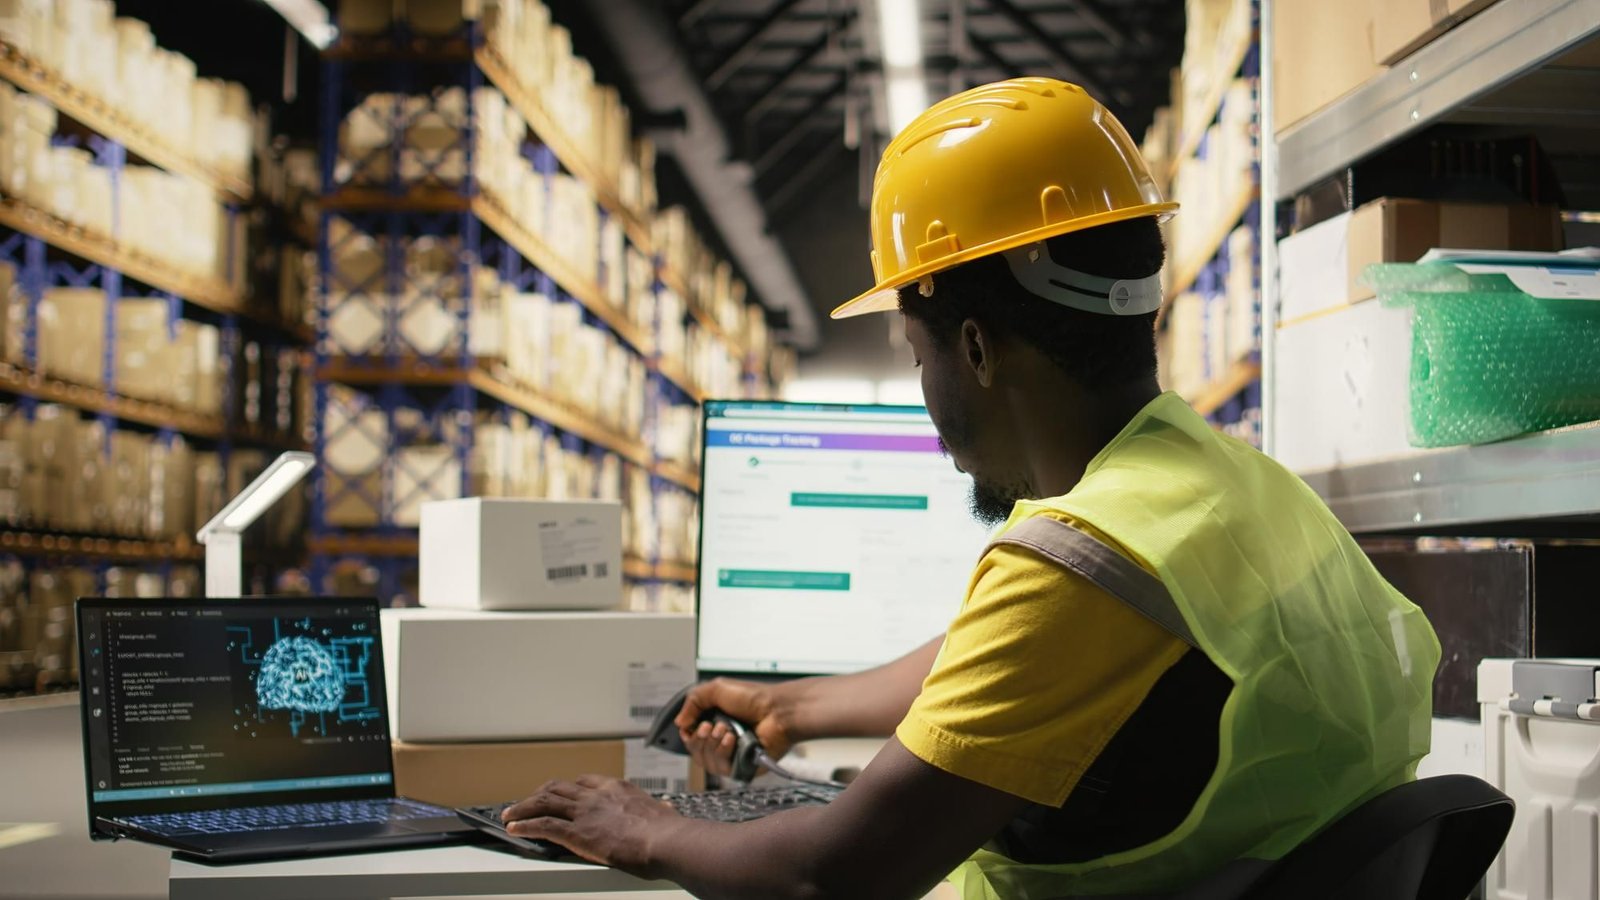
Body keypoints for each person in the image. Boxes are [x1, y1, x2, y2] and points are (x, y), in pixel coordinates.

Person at [500, 77, 1440, 900]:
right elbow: (1019, 654)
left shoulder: (1087, 562)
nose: (926, 394)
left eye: (918, 353)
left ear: (979, 347)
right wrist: (797, 708)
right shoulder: (1226, 488)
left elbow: (827, 876)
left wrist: (646, 829)